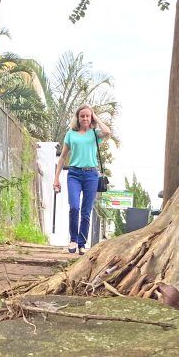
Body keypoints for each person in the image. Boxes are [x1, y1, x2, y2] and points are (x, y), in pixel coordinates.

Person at [53, 104, 111, 254]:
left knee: (86, 211)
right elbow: (63, 157)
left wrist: (95, 116)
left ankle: (81, 243)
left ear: (91, 117)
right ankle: (73, 239)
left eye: (87, 116)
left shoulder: (94, 134)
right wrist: (56, 178)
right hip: (74, 174)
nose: (85, 118)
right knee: (74, 207)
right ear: (77, 118)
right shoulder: (71, 134)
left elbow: (107, 132)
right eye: (82, 116)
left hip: (91, 175)